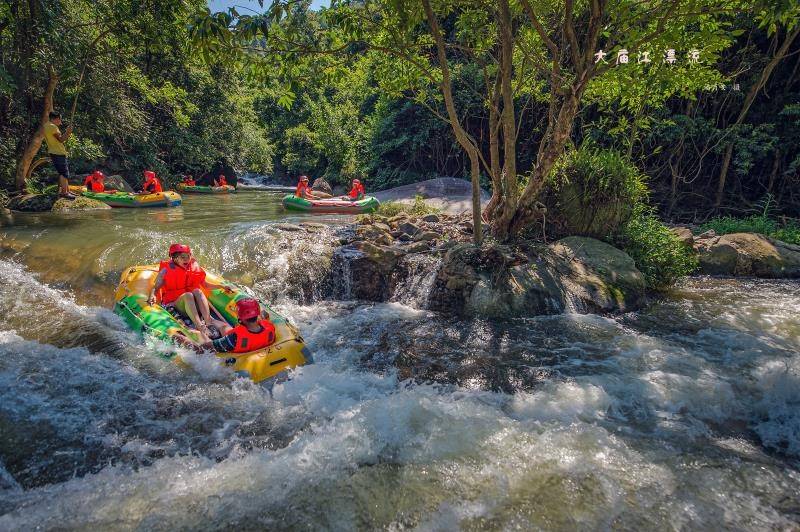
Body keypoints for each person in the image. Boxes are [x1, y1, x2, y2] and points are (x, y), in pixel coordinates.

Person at [147, 244, 225, 342]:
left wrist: (221, 286)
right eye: (183, 257)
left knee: (197, 291)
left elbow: (205, 285)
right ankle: (200, 327)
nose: (186, 259)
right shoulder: (165, 270)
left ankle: (208, 322)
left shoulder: (194, 267)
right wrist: (152, 295)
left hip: (192, 304)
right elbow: (156, 287)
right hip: (175, 305)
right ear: (175, 258)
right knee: (188, 295)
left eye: (188, 256)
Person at [199, 298, 276, 354]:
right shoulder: (270, 326)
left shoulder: (234, 338)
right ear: (257, 315)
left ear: (240, 318)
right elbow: (264, 315)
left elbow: (208, 346)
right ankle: (210, 320)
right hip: (259, 348)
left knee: (219, 329)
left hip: (241, 355)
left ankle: (208, 321)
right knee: (224, 327)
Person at [43, 111, 76, 199]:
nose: (60, 122)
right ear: (56, 119)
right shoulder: (52, 127)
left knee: (64, 172)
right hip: (58, 152)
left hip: (54, 152)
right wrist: (68, 132)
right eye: (59, 120)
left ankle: (67, 190)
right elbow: (61, 139)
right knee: (64, 173)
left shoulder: (46, 125)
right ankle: (64, 193)